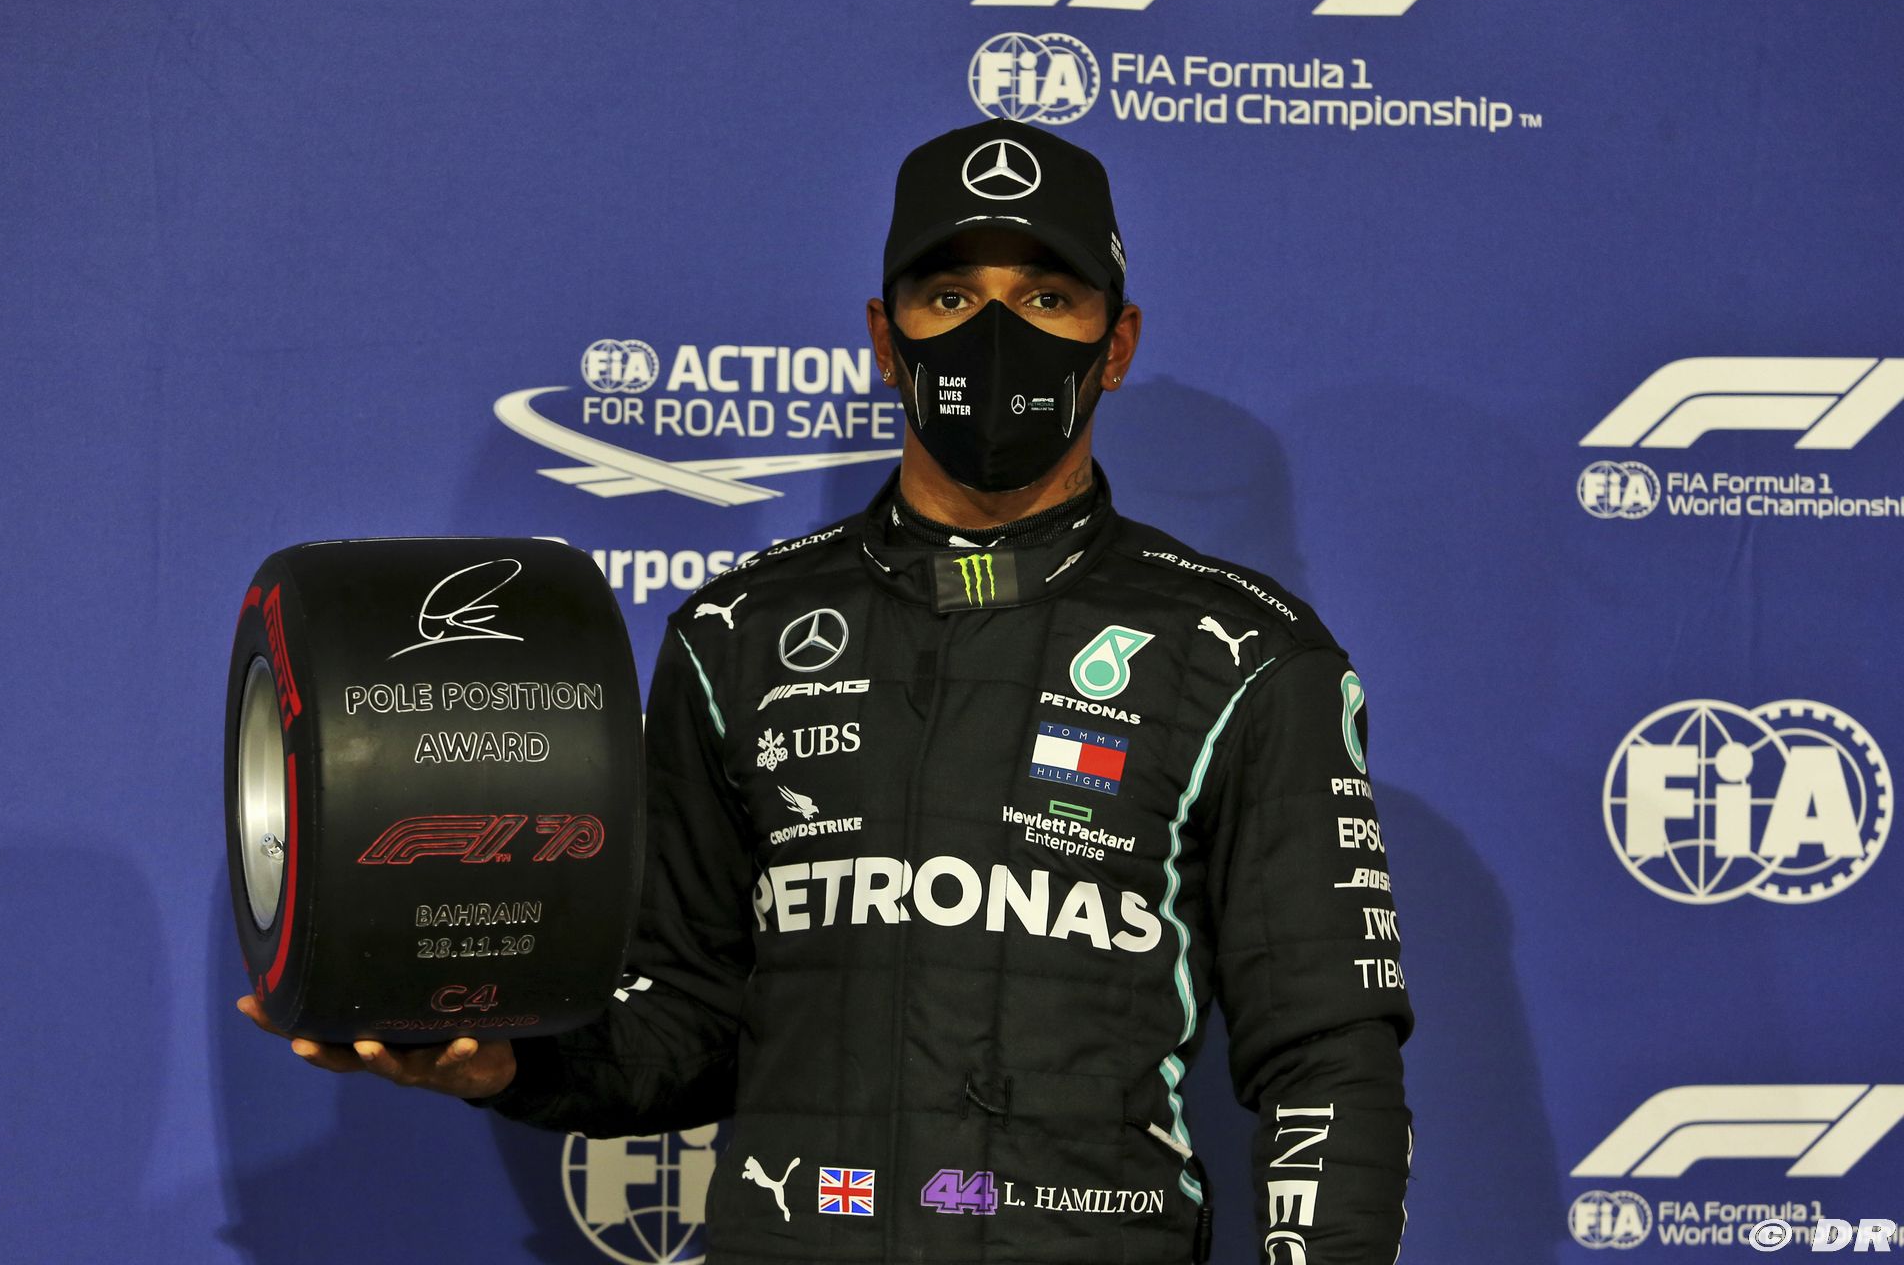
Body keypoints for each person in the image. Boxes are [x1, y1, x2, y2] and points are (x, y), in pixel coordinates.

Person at [241, 118, 1413, 1264]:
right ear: (883, 338)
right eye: (949, 296)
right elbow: (689, 1016)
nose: (995, 334)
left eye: (1047, 297)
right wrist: (513, 1061)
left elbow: (1329, 1058)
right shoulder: (735, 635)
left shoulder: (1244, 652)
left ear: (1117, 342)